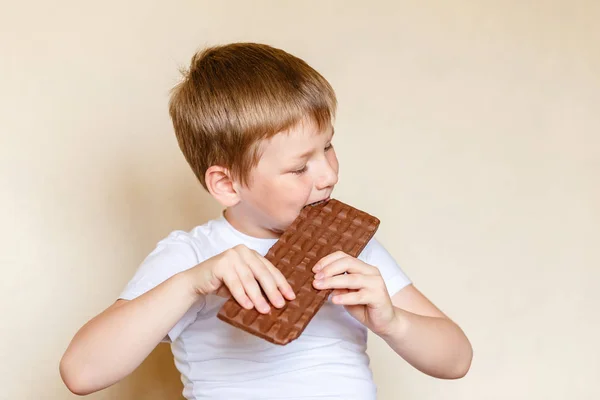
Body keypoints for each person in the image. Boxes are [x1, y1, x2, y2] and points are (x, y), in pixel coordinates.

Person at [60, 42, 472, 399]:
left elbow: (456, 358)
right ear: (227, 184)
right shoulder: (193, 257)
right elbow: (82, 373)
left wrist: (394, 322)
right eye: (299, 168)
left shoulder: (352, 253)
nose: (328, 174)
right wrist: (192, 284)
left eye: (328, 147)